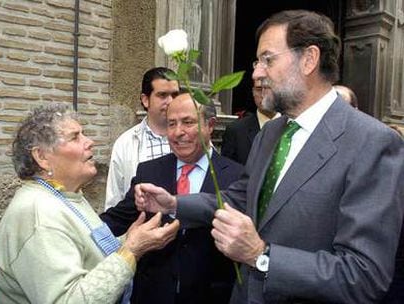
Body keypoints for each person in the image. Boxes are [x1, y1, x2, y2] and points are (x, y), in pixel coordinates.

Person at [134, 10, 404, 303]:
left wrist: (261, 256)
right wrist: (174, 203)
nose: (257, 73)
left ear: (309, 59)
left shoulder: (373, 143)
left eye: (268, 59)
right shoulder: (272, 133)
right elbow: (239, 199)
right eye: (257, 61)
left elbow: (363, 275)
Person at [0, 104, 179, 304]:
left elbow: (88, 257)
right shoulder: (38, 214)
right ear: (42, 157)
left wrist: (128, 240)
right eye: (75, 137)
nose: (90, 142)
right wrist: (132, 250)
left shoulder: (65, 197)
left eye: (84, 134)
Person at [101, 93, 243, 304]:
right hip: (152, 295)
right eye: (171, 124)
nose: (178, 133)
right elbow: (115, 220)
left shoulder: (236, 176)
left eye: (188, 122)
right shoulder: (149, 172)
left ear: (210, 125)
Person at [105, 67, 180, 210]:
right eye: (162, 95)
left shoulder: (195, 139)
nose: (170, 101)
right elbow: (115, 199)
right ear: (145, 100)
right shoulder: (125, 143)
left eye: (175, 95)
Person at [221, 78, 280, 165]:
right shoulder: (236, 131)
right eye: (259, 89)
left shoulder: (293, 127)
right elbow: (227, 172)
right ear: (253, 92)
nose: (263, 94)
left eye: (268, 88)